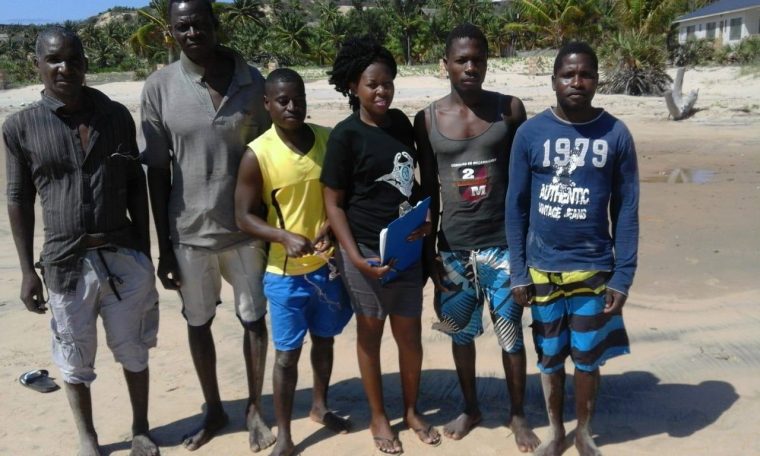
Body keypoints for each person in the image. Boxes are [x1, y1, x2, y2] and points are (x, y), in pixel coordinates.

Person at [3, 27, 159, 456]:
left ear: (86, 64)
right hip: (64, 262)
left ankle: (141, 428)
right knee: (73, 356)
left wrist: (144, 252)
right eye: (53, 60)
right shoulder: (20, 127)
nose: (64, 68)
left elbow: (133, 184)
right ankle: (88, 437)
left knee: (134, 349)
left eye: (73, 59)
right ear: (37, 65)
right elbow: (18, 198)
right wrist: (26, 273)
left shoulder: (115, 117)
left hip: (122, 254)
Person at [140, 0, 273, 451]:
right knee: (199, 322)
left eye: (200, 22)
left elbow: (272, 157)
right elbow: (156, 172)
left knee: (254, 320)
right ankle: (214, 408)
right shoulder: (159, 88)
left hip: (248, 231)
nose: (192, 32)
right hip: (189, 234)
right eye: (182, 26)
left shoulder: (254, 82)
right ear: (172, 33)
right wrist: (164, 249)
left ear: (216, 24)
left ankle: (256, 408)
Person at [506, 41, 638, 456]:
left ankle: (583, 432)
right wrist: (518, 271)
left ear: (597, 80)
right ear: (554, 81)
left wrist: (624, 274)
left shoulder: (615, 133)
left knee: (586, 357)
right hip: (543, 269)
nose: (577, 82)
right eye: (568, 74)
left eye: (586, 74)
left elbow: (628, 208)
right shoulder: (530, 133)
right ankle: (555, 432)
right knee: (549, 357)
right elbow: (516, 207)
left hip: (594, 268)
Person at [414, 23, 540, 451]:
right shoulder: (427, 118)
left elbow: (527, 179)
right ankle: (471, 406)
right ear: (445, 64)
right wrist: (429, 252)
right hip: (453, 248)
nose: (471, 67)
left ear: (487, 63)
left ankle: (518, 414)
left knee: (511, 334)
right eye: (462, 60)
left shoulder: (510, 109)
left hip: (503, 246)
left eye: (478, 59)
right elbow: (428, 189)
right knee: (461, 333)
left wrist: (528, 245)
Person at [320, 36, 440, 455]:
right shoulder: (344, 137)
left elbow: (409, 183)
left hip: (404, 251)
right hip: (364, 252)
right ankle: (377, 416)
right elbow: (332, 203)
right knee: (370, 338)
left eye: (387, 83)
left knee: (410, 337)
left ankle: (410, 410)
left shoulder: (402, 124)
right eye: (372, 84)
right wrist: (354, 256)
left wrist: (424, 223)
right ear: (354, 86)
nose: (382, 91)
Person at [234, 68, 353, 456]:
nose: (291, 107)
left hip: (327, 266)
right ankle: (284, 434)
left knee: (325, 340)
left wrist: (333, 232)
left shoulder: (327, 138)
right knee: (287, 356)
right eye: (282, 101)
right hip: (285, 274)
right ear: (267, 104)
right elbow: (243, 216)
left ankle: (320, 405)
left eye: (298, 99)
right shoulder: (258, 153)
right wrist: (283, 236)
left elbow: (343, 195)